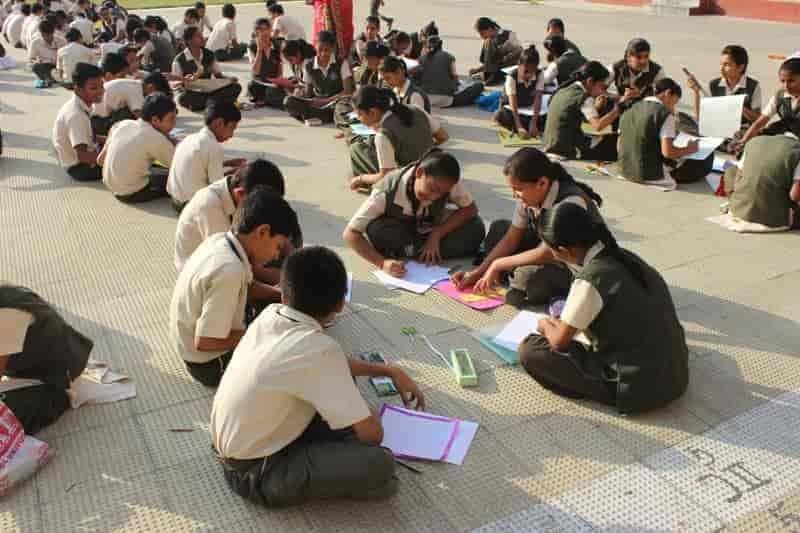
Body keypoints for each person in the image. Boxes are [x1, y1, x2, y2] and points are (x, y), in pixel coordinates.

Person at [211, 246, 421, 507]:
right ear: (340, 304)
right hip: (257, 472)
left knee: (340, 386)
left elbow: (331, 364)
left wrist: (388, 370)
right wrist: (364, 414)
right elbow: (373, 436)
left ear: (284, 293)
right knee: (381, 466)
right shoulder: (321, 350)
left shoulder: (271, 315)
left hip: (233, 444)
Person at [518, 203, 689, 414]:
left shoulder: (592, 278)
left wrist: (545, 324)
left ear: (564, 250)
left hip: (639, 387)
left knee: (530, 351)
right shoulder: (626, 257)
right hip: (676, 372)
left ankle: (597, 388)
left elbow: (558, 342)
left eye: (552, 251)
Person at [169, 188, 300, 387]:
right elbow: (206, 341)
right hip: (211, 364)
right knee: (289, 350)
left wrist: (279, 294)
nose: (276, 255)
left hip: (195, 342)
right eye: (278, 247)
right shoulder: (229, 271)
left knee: (279, 316)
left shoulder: (222, 241)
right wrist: (262, 336)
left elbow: (247, 286)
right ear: (262, 232)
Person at [452, 147, 604, 308]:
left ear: (542, 183)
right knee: (499, 230)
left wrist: (497, 264)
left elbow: (547, 252)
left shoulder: (570, 202)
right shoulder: (528, 198)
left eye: (518, 189)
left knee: (531, 282)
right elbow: (511, 238)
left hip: (571, 263)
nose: (514, 195)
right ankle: (511, 271)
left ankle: (514, 273)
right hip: (543, 246)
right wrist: (479, 272)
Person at [345, 149, 484, 272]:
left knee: (476, 227)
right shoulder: (385, 191)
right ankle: (421, 251)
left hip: (430, 229)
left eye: (441, 194)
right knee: (376, 229)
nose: (434, 197)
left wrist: (437, 234)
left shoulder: (446, 183)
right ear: (419, 172)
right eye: (432, 189)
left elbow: (470, 209)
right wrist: (382, 263)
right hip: (401, 231)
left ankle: (412, 251)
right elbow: (350, 234)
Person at [174, 158, 296, 277]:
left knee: (286, 235)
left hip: (230, 260)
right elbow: (233, 264)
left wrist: (295, 258)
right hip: (209, 272)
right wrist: (289, 282)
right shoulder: (209, 207)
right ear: (240, 194)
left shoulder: (236, 192)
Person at [0, 284, 92, 435]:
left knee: (6, 420)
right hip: (29, 367)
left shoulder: (7, 314)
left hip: (54, 381)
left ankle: (58, 399)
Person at [348, 86, 449, 189]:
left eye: (359, 114)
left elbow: (386, 177)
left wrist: (361, 178)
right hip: (435, 169)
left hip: (413, 182)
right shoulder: (416, 109)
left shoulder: (383, 135)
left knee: (356, 149)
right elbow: (443, 136)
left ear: (373, 112)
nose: (359, 118)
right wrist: (424, 147)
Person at [618, 78, 708, 188]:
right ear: (668, 93)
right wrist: (690, 148)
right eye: (674, 102)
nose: (673, 106)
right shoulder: (663, 113)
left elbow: (619, 143)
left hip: (624, 170)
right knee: (705, 161)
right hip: (646, 174)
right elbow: (668, 153)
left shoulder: (631, 107)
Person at [98, 93, 176, 203]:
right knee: (175, 178)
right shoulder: (155, 137)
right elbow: (178, 166)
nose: (174, 123)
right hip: (132, 192)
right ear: (155, 120)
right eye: (171, 119)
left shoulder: (122, 124)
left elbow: (100, 160)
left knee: (154, 167)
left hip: (111, 186)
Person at [168, 101, 246, 210]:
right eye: (232, 128)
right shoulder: (213, 147)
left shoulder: (190, 138)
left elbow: (200, 166)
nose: (232, 135)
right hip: (191, 206)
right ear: (219, 123)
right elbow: (219, 188)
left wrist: (227, 163)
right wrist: (237, 175)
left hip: (175, 200)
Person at [686, 45, 761, 154]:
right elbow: (700, 118)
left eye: (727, 65)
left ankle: (730, 146)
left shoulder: (753, 86)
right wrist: (696, 92)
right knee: (683, 123)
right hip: (718, 129)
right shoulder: (714, 84)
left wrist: (738, 106)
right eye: (721, 64)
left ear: (740, 67)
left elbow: (758, 120)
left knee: (747, 137)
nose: (721, 69)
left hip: (740, 131)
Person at [543, 61, 622, 161]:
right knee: (614, 140)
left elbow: (572, 114)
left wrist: (596, 108)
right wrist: (618, 109)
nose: (602, 91)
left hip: (550, 144)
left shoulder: (564, 89)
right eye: (601, 87)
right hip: (566, 149)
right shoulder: (584, 97)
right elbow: (598, 126)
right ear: (590, 81)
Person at [722, 133, 800, 231]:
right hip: (775, 220)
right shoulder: (797, 151)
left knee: (731, 170)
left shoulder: (754, 141)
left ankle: (735, 202)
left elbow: (738, 179)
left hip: (738, 210)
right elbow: (794, 196)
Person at [284, 30, 354, 123]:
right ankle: (322, 116)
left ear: (333, 48)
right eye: (320, 49)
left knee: (342, 109)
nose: (323, 54)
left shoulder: (341, 63)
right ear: (315, 47)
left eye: (327, 50)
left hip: (336, 103)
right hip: (317, 103)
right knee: (289, 101)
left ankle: (319, 115)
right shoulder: (309, 66)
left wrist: (326, 101)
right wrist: (298, 92)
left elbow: (348, 91)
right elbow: (308, 93)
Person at [53, 62, 104, 181]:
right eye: (94, 88)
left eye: (102, 86)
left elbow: (89, 135)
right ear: (78, 89)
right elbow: (83, 156)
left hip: (83, 155)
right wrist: (111, 159)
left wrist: (109, 139)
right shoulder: (76, 116)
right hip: (80, 168)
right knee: (126, 162)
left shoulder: (79, 105)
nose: (101, 91)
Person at [93, 56, 170, 135]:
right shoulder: (136, 90)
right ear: (151, 87)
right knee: (132, 118)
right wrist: (161, 133)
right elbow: (141, 117)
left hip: (100, 116)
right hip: (99, 120)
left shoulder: (135, 85)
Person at [172, 26, 242, 112]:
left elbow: (218, 76)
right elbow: (176, 85)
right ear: (189, 41)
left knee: (235, 87)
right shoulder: (179, 60)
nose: (202, 38)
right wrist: (186, 80)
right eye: (198, 36)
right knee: (183, 98)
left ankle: (209, 103)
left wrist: (229, 79)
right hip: (193, 93)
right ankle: (216, 102)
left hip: (209, 90)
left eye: (201, 35)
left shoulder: (209, 54)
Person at [736, 58, 800, 148]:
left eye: (791, 81)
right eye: (782, 81)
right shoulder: (780, 95)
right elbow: (759, 123)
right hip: (785, 133)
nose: (786, 86)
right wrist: (743, 141)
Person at [416, 35, 483, 109]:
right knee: (479, 85)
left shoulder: (421, 58)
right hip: (446, 100)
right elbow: (454, 76)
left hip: (425, 99)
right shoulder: (449, 56)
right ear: (441, 44)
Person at [494, 45, 546, 139]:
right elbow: (513, 102)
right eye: (526, 71)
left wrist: (533, 122)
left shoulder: (540, 74)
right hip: (511, 108)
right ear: (519, 65)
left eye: (532, 72)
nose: (528, 75)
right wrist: (519, 126)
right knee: (502, 115)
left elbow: (538, 98)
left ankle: (529, 125)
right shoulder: (512, 76)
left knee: (545, 118)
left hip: (528, 108)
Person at [247, 17, 289, 108]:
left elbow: (280, 68)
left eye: (266, 29)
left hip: (274, 82)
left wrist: (279, 81)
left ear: (270, 30)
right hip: (259, 82)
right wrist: (259, 50)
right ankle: (269, 99)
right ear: (256, 32)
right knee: (252, 85)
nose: (264, 33)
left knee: (287, 84)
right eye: (260, 30)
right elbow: (256, 71)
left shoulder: (277, 45)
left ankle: (267, 100)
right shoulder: (252, 46)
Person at [610, 38, 666, 106]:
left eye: (646, 56)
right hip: (621, 106)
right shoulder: (616, 67)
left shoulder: (657, 71)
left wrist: (640, 95)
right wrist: (622, 97)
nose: (643, 61)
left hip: (645, 107)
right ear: (628, 57)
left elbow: (665, 96)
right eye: (638, 57)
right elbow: (599, 90)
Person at [468, 17, 521, 86]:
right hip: (497, 69)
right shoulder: (489, 40)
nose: (481, 36)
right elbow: (490, 62)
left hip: (511, 67)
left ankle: (492, 76)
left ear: (489, 29)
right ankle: (489, 75)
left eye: (482, 33)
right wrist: (477, 70)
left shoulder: (508, 35)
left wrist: (506, 57)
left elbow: (519, 54)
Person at [28, 19, 65, 87]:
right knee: (35, 67)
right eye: (44, 35)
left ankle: (52, 78)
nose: (47, 37)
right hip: (45, 66)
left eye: (49, 35)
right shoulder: (35, 42)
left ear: (53, 32)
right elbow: (31, 59)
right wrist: (36, 61)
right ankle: (51, 78)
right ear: (41, 34)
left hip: (58, 66)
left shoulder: (61, 41)